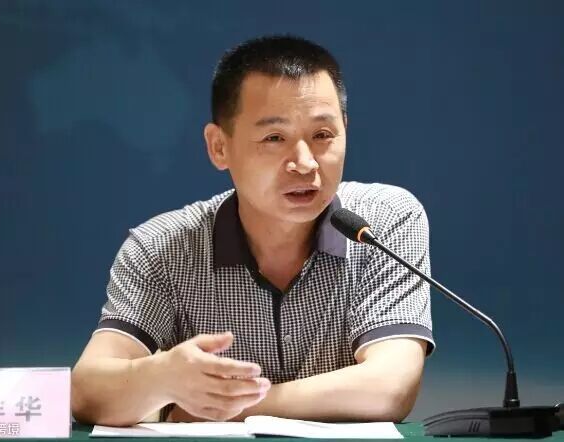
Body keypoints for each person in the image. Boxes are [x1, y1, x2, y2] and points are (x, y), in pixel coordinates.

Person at [71, 35, 435, 426]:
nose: (305, 163)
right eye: (274, 138)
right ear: (219, 147)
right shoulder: (160, 248)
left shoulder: (384, 221)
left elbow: (391, 387)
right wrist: (160, 377)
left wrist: (221, 407)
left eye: (323, 135)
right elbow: (87, 392)